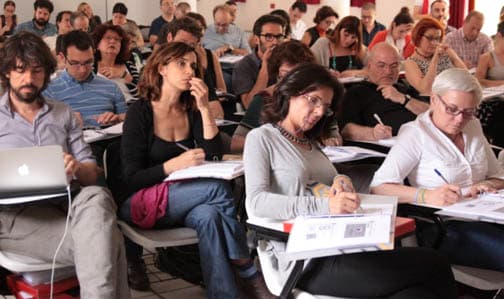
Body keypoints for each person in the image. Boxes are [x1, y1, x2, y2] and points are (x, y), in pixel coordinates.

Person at [244, 63, 458, 299]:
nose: (318, 112)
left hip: (342, 244)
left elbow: (329, 179)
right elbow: (256, 202)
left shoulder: (309, 143)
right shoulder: (262, 138)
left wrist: (342, 180)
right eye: (313, 100)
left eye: (325, 107)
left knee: (416, 294)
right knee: (433, 264)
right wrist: (327, 206)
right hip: (306, 258)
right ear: (290, 93)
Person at [119, 42, 273, 298]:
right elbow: (131, 178)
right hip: (142, 202)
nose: (189, 70)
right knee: (217, 188)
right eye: (181, 63)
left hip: (188, 201)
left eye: (193, 65)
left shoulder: (191, 108)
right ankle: (246, 267)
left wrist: (203, 107)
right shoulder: (140, 112)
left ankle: (224, 295)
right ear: (161, 68)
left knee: (210, 217)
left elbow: (213, 154)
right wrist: (172, 166)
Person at [0, 30, 130, 299]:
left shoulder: (63, 113)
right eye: (20, 70)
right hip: (16, 219)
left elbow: (91, 175)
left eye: (37, 71)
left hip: (67, 207)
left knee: (97, 195)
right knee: (108, 238)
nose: (28, 79)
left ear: (47, 73)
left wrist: (75, 167)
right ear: (7, 73)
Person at [370, 68, 504, 272]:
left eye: (468, 111)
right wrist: (426, 195)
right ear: (434, 100)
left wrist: (486, 184)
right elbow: (379, 187)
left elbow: (498, 176)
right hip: (446, 226)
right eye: (452, 109)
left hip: (488, 215)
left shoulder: (473, 125)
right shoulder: (415, 134)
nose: (460, 119)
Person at [230, 40, 318, 152]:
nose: (290, 82)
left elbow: (334, 135)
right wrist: (271, 141)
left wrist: (332, 139)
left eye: (297, 76)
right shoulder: (265, 98)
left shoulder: (318, 98)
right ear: (277, 73)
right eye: (285, 75)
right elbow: (236, 142)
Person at [340, 42, 429, 141]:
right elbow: (346, 130)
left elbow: (431, 113)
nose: (388, 71)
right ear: (369, 67)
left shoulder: (404, 88)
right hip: (387, 148)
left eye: (394, 66)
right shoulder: (357, 92)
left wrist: (403, 99)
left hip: (421, 141)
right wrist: (373, 133)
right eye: (381, 65)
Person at [43, 30, 127, 128]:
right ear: (62, 58)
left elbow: (126, 120)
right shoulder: (49, 90)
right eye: (75, 63)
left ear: (93, 54)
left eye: (88, 62)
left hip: (108, 140)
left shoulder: (111, 87)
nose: (83, 70)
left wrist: (117, 118)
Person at [156, 16, 225, 119]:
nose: (186, 50)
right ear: (170, 38)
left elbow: (218, 113)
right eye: (182, 43)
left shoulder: (198, 70)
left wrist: (204, 107)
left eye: (191, 46)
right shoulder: (152, 71)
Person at [232, 14, 285, 108]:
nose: (275, 42)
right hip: (261, 116)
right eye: (269, 36)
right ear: (256, 39)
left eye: (279, 37)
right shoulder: (244, 66)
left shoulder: (287, 60)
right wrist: (265, 66)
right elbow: (249, 105)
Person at [404, 17, 465, 95]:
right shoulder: (411, 62)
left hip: (458, 93)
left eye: (437, 38)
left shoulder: (445, 54)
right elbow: (425, 90)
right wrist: (435, 59)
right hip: (435, 101)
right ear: (418, 37)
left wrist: (454, 56)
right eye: (430, 38)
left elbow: (467, 77)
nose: (434, 43)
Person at [92, 24, 140, 104]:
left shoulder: (129, 65)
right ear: (97, 45)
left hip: (132, 108)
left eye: (117, 39)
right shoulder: (91, 66)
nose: (112, 41)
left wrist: (124, 75)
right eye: (108, 38)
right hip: (104, 108)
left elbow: (141, 94)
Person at [475, 20, 504, 148]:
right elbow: (479, 80)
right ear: (499, 37)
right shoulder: (487, 57)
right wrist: (501, 83)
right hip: (492, 103)